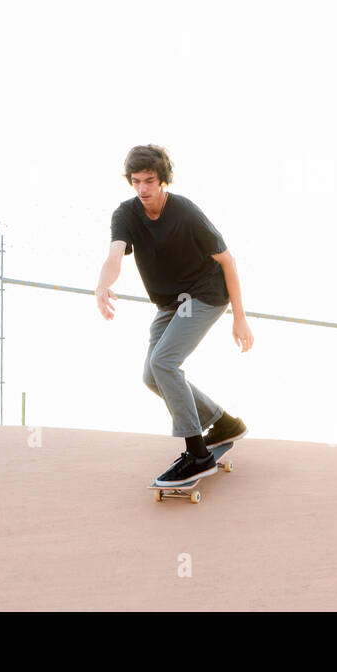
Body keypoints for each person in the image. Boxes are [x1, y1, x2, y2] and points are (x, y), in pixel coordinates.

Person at [95, 144, 253, 486]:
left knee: (164, 362)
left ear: (163, 180)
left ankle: (197, 454)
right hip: (169, 304)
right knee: (152, 376)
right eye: (136, 181)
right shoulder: (126, 214)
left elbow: (227, 260)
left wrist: (239, 317)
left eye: (149, 180)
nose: (143, 189)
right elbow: (115, 255)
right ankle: (223, 422)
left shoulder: (185, 211)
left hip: (205, 294)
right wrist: (102, 285)